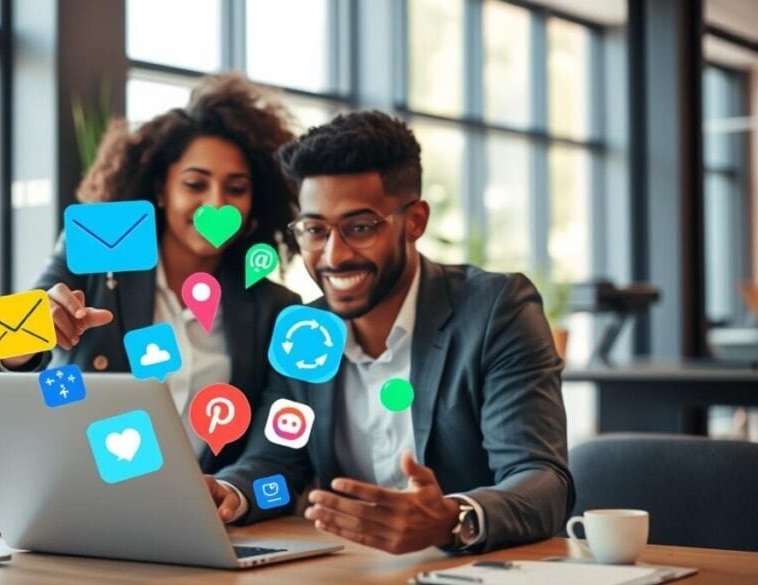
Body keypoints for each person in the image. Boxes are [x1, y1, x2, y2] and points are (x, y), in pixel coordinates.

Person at [203, 111, 574, 553]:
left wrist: (451, 520)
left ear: (415, 221)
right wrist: (232, 494)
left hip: (471, 571)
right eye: (315, 230)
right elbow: (278, 464)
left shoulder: (495, 311)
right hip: (352, 573)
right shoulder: (303, 331)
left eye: (360, 227)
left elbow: (543, 481)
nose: (334, 256)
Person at [0, 74, 301, 477]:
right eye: (195, 184)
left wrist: (232, 491)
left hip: (199, 513)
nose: (216, 204)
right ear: (161, 189)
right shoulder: (95, 253)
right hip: (79, 497)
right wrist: (30, 330)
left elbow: (276, 446)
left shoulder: (273, 307)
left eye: (236, 189)